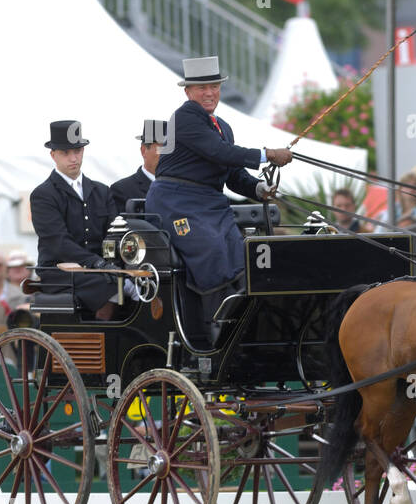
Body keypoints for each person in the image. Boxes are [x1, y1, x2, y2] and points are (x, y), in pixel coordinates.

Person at [145, 57, 293, 329]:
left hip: (210, 204)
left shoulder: (222, 127)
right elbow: (219, 152)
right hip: (176, 201)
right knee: (211, 248)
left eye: (214, 86)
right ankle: (214, 326)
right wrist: (267, 154)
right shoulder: (184, 118)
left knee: (240, 253)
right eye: (202, 88)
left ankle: (242, 320)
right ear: (188, 92)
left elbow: (231, 172)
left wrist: (259, 188)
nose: (210, 92)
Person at [30, 119, 120, 320]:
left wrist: (115, 263)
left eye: (77, 151)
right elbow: (58, 242)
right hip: (60, 272)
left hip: (99, 271)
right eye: (65, 153)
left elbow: (113, 234)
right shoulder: (43, 194)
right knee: (110, 285)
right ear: (53, 155)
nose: (73, 158)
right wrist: (97, 263)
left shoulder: (101, 191)